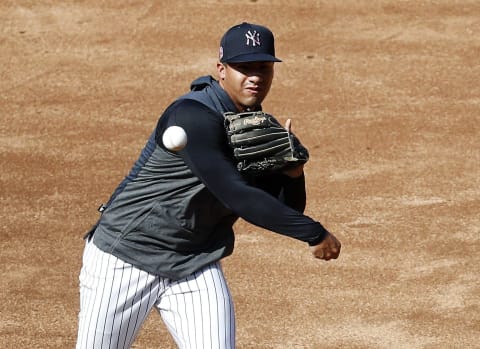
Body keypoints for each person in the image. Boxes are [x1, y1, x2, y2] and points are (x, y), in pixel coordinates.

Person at [76, 22, 341, 349]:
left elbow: (287, 208)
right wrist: (313, 233)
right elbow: (238, 195)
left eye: (263, 67)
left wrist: (293, 172)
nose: (255, 76)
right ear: (221, 70)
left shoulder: (256, 129)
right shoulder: (191, 116)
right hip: (127, 256)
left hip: (193, 262)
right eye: (243, 67)